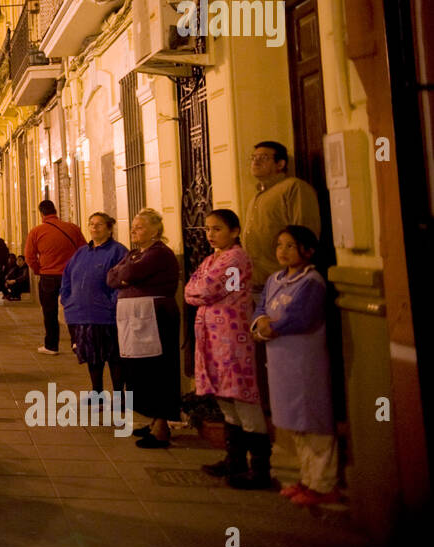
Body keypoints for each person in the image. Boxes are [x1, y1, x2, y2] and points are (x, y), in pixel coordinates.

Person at [253, 226, 339, 506]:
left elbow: (301, 317)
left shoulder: (311, 281)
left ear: (308, 250)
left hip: (305, 362)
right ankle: (307, 479)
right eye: (280, 245)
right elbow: (261, 308)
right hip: (280, 363)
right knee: (296, 424)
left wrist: (269, 328)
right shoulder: (274, 279)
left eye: (291, 246)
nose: (283, 251)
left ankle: (324, 484)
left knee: (314, 422)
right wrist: (260, 323)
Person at [184, 209, 269, 488]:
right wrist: (200, 291)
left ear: (234, 231)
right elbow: (189, 288)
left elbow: (209, 290)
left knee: (240, 394)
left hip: (231, 336)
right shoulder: (211, 258)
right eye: (207, 229)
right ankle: (234, 460)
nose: (210, 234)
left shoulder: (236, 258)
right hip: (210, 336)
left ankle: (259, 468)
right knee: (223, 395)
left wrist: (201, 292)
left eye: (217, 229)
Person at [106, 208, 180, 448]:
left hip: (154, 319)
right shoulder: (136, 253)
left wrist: (126, 277)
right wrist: (124, 277)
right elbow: (112, 277)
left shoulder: (159, 254)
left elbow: (128, 273)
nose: (133, 230)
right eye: (133, 226)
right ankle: (152, 420)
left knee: (157, 369)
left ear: (155, 230)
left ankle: (161, 427)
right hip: (135, 320)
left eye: (139, 227)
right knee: (139, 370)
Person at [60, 213, 128, 393]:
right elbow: (67, 277)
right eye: (91, 224)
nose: (94, 228)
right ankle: (97, 391)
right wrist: (67, 299)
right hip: (82, 315)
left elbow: (123, 280)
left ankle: (120, 394)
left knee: (114, 357)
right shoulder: (81, 252)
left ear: (109, 228)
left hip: (107, 317)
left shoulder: (118, 251)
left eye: (99, 225)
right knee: (92, 357)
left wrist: (112, 303)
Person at [243, 141, 321, 290]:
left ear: (280, 164)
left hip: (286, 282)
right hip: (258, 282)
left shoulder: (294, 187)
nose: (256, 161)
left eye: (264, 157)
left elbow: (305, 233)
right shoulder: (256, 196)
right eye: (253, 157)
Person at [23, 200, 86, 354]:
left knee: (49, 311)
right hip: (71, 275)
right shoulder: (73, 228)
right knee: (73, 308)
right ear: (55, 211)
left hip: (48, 276)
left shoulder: (36, 231)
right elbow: (83, 250)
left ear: (41, 213)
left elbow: (29, 257)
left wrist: (39, 270)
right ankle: (77, 342)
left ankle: (51, 345)